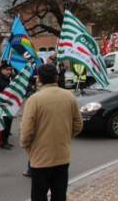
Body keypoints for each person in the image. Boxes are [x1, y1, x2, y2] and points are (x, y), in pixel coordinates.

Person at [20, 63, 83, 201]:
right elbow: (78, 125)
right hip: (62, 156)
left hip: (40, 159)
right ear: (56, 77)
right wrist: (65, 136)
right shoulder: (69, 96)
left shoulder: (34, 100)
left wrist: (29, 148)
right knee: (59, 195)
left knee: (39, 196)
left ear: (39, 78)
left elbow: (26, 132)